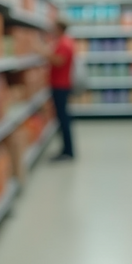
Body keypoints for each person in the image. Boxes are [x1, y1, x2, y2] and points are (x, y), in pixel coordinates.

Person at [42, 20, 75, 161]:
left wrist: (43, 52)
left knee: (63, 119)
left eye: (53, 27)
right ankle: (66, 149)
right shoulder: (64, 42)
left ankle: (67, 151)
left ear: (59, 28)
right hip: (60, 84)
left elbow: (59, 61)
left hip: (60, 85)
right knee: (62, 118)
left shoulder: (64, 43)